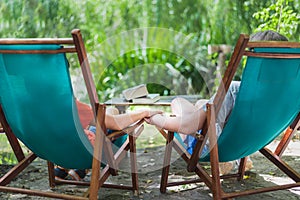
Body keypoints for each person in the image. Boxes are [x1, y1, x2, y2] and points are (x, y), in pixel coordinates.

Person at [145, 30, 288, 174]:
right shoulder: (289, 96)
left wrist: (157, 119)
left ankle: (225, 159)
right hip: (251, 143)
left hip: (215, 147)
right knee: (202, 103)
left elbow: (187, 126)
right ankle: (240, 158)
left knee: (178, 102)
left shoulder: (235, 90)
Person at [55, 99, 162, 181]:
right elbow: (116, 123)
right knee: (109, 119)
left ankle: (62, 170)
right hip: (88, 153)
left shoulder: (41, 108)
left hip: (57, 153)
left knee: (110, 111)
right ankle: (80, 170)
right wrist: (144, 112)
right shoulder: (70, 105)